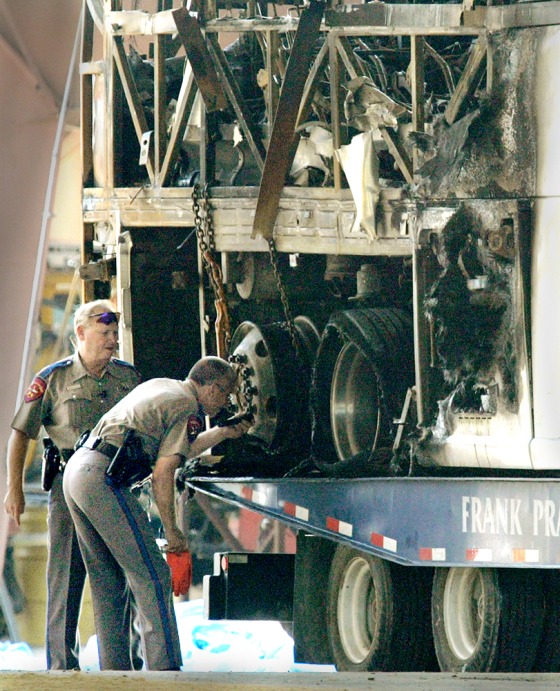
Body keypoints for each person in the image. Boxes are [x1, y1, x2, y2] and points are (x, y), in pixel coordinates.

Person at [63, 356, 252, 671]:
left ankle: (116, 672)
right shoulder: (187, 408)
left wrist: (222, 433)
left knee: (108, 580)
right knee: (153, 575)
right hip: (103, 478)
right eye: (226, 393)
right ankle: (165, 673)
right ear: (213, 387)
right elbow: (165, 472)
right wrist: (173, 531)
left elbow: (177, 449)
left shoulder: (165, 388)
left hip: (79, 471)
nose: (226, 402)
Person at [4, 300, 142, 670]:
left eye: (115, 333)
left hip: (115, 485)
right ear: (80, 334)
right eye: (105, 333)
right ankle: (62, 667)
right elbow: (20, 434)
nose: (113, 340)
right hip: (68, 489)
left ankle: (122, 663)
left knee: (121, 573)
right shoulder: (53, 379)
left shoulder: (128, 378)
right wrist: (13, 487)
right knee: (65, 578)